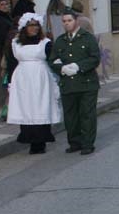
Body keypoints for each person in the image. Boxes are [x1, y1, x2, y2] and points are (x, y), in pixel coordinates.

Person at [7, 13, 62, 154]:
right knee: (26, 107)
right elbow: (11, 62)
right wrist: (10, 82)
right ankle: (29, 139)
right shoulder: (16, 43)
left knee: (40, 106)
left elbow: (53, 59)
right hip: (22, 78)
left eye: (36, 25)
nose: (34, 28)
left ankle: (40, 141)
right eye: (31, 25)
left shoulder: (45, 42)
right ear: (25, 27)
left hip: (40, 77)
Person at [48, 9, 101, 155]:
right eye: (64, 21)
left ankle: (87, 143)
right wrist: (62, 68)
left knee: (86, 114)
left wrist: (78, 66)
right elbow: (52, 60)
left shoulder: (87, 38)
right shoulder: (60, 41)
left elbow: (95, 58)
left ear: (76, 21)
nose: (66, 24)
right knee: (71, 116)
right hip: (68, 85)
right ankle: (74, 142)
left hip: (87, 83)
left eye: (69, 20)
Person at [0, 0, 13, 119]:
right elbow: (2, 39)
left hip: (9, 52)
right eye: (2, 4)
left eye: (6, 4)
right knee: (9, 83)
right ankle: (6, 110)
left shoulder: (6, 18)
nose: (5, 6)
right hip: (7, 54)